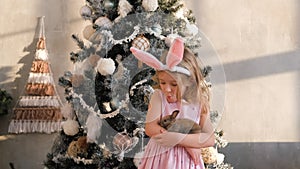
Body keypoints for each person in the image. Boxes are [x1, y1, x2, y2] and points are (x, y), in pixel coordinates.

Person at [130, 37, 215, 169]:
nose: (166, 89)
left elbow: (209, 138)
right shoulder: (158, 97)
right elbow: (150, 128)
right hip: (160, 159)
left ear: (190, 81)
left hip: (187, 162)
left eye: (174, 84)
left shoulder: (199, 102)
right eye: (163, 82)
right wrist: (185, 142)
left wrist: (180, 140)